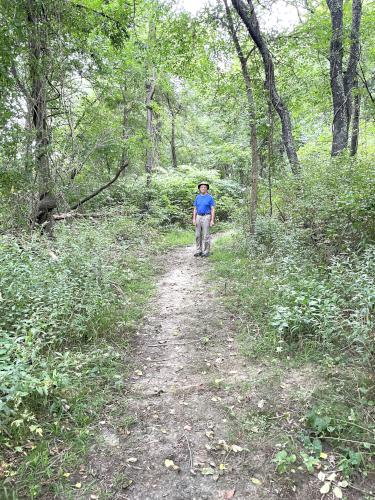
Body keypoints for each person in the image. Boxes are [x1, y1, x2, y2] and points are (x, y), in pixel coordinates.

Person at [193, 182, 215, 257]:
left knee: (206, 235)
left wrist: (212, 220)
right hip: (198, 216)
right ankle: (198, 250)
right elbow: (195, 209)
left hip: (206, 216)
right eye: (201, 187)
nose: (203, 188)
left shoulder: (210, 197)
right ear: (199, 188)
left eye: (205, 187)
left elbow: (212, 209)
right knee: (197, 235)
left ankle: (206, 251)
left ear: (207, 189)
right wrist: (194, 219)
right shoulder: (197, 197)